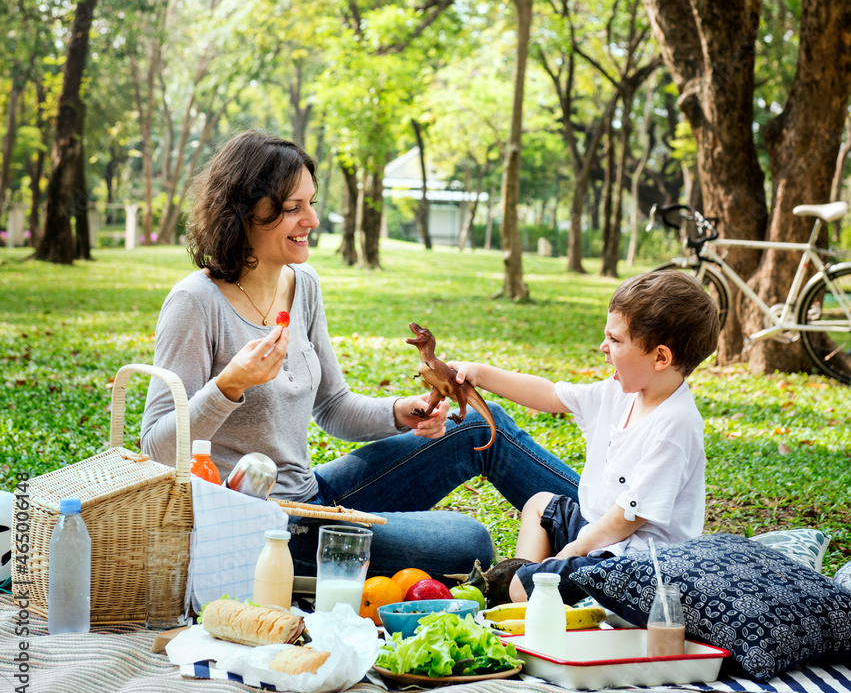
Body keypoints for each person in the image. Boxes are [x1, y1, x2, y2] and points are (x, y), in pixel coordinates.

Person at [140, 129, 582, 579]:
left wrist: (400, 412)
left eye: (311, 203)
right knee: (471, 543)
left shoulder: (302, 283)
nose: (311, 220)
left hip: (313, 493)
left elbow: (332, 406)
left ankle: (607, 524)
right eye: (293, 208)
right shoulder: (195, 303)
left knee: (470, 425)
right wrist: (230, 385)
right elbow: (155, 447)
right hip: (263, 528)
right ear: (243, 212)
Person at [450, 270, 720, 603]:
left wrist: (572, 550)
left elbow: (627, 519)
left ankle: (525, 594)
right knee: (539, 506)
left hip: (635, 566)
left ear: (660, 357)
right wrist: (479, 373)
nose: (603, 348)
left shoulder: (675, 424)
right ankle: (530, 591)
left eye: (617, 340)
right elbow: (550, 395)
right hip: (600, 535)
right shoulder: (619, 392)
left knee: (523, 586)